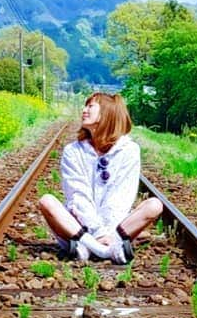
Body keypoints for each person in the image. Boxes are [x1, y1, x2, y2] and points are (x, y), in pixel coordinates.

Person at [38, 92, 163, 264]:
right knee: (47, 201)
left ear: (106, 113)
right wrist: (97, 234)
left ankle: (94, 249)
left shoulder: (129, 150)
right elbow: (77, 195)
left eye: (90, 106)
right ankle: (104, 251)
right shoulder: (72, 151)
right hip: (77, 231)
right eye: (85, 106)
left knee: (154, 205)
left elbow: (122, 197)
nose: (84, 110)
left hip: (114, 233)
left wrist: (107, 233)